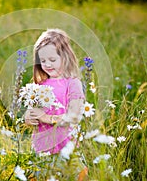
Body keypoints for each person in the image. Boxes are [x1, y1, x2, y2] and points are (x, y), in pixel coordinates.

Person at [24, 28, 88, 180]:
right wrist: (29, 117)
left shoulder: (72, 83)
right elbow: (34, 112)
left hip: (66, 149)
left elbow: (74, 117)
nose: (47, 64)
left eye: (52, 60)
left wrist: (45, 117)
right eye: (43, 61)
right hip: (42, 150)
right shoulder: (40, 84)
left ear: (65, 57)